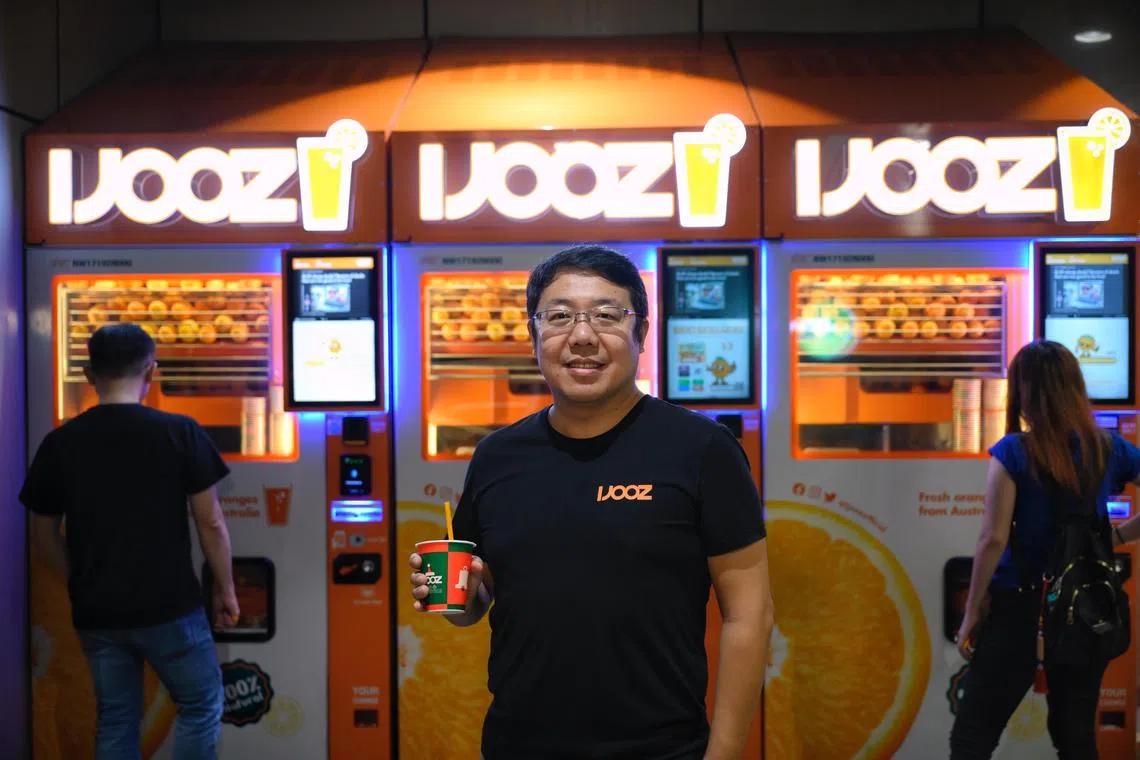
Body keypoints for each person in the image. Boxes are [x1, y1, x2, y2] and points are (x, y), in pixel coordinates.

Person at [408, 244, 774, 760]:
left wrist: (725, 755)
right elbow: (475, 603)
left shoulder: (702, 449)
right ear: (534, 335)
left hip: (660, 749)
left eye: (606, 315)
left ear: (640, 334)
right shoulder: (497, 456)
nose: (582, 336)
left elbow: (749, 614)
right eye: (559, 317)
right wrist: (456, 597)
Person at [20, 323, 238, 760]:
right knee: (199, 703)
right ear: (151, 372)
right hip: (169, 607)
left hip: (97, 612)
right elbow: (211, 522)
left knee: (117, 717)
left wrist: (78, 579)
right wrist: (226, 588)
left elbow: (42, 534)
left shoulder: (60, 443)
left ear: (89, 375)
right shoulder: (180, 432)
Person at [949, 339, 1140, 759]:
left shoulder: (1013, 451)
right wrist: (1118, 538)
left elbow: (993, 538)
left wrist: (972, 611)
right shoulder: (1109, 448)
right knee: (1076, 739)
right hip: (1086, 608)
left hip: (1021, 608)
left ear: (1024, 392)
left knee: (973, 736)